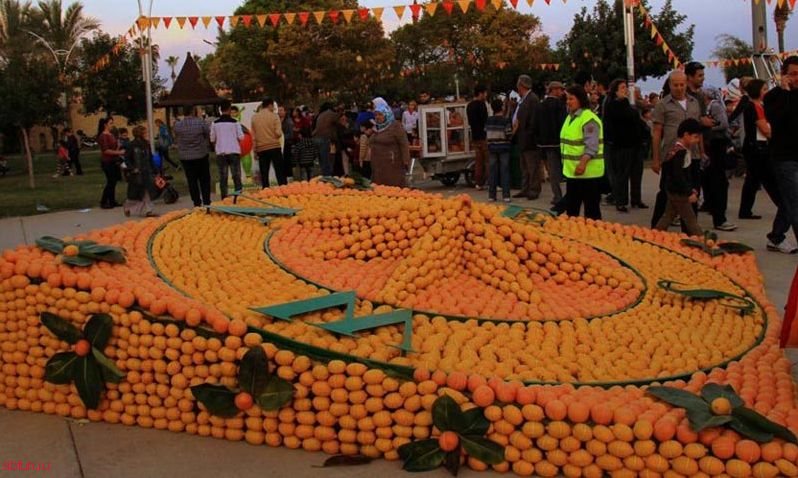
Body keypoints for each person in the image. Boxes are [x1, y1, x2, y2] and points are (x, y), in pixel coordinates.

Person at [651, 71, 703, 229]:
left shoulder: (695, 102)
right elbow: (657, 132)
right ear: (670, 85)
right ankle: (656, 230)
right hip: (672, 156)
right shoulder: (663, 105)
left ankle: (689, 231)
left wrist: (702, 150)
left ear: (686, 83)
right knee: (667, 192)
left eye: (682, 84)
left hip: (692, 155)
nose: (679, 88)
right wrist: (656, 158)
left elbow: (698, 130)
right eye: (675, 85)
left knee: (692, 191)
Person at [764, 56, 798, 253]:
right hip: (784, 158)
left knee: (788, 201)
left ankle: (776, 236)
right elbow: (777, 118)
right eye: (793, 74)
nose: (797, 78)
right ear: (784, 75)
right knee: (794, 202)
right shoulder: (774, 97)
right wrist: (785, 91)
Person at [561, 85, 605, 220]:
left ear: (580, 99)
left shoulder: (588, 119)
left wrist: (582, 163)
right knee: (571, 211)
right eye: (567, 99)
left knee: (591, 213)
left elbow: (592, 146)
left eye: (571, 99)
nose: (568, 102)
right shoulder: (570, 117)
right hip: (573, 173)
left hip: (588, 174)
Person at [654, 119, 703, 236]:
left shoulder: (677, 150)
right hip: (679, 191)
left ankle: (654, 234)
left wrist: (691, 188)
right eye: (695, 137)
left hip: (673, 189)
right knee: (691, 220)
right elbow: (679, 175)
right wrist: (688, 192)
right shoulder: (680, 153)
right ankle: (703, 242)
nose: (698, 141)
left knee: (668, 215)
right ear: (686, 135)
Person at [603, 79, 643, 213]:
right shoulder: (612, 106)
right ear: (615, 91)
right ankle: (621, 200)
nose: (625, 90)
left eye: (625, 87)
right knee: (622, 174)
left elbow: (636, 121)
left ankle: (636, 199)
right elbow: (614, 124)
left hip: (635, 143)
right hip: (622, 145)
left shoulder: (628, 104)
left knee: (637, 172)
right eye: (622, 88)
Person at [701, 87, 736, 231]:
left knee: (718, 178)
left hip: (718, 144)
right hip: (711, 144)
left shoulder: (715, 106)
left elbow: (723, 124)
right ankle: (710, 205)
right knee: (709, 178)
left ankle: (718, 212)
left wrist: (707, 128)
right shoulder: (707, 106)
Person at [739, 79, 771, 220]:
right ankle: (745, 210)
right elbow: (764, 129)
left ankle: (745, 210)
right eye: (764, 89)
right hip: (756, 148)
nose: (766, 92)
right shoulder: (754, 107)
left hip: (755, 147)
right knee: (758, 179)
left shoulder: (758, 106)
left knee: (753, 180)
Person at [535, 81, 567, 206]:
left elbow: (536, 124)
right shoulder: (559, 105)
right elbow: (563, 123)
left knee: (552, 171)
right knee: (563, 170)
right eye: (560, 89)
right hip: (558, 142)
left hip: (545, 143)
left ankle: (557, 195)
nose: (562, 92)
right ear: (553, 90)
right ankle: (564, 196)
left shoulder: (541, 105)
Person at [173, 105, 212, 207]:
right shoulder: (200, 122)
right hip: (201, 155)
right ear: (193, 111)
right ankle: (207, 201)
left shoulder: (178, 125)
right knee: (204, 179)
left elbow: (177, 137)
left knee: (191, 180)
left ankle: (196, 202)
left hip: (186, 157)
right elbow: (207, 134)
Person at [512, 74, 542, 200]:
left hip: (529, 140)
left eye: (518, 85)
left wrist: (529, 135)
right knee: (524, 167)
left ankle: (534, 190)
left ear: (522, 85)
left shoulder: (532, 99)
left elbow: (534, 121)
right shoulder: (523, 99)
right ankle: (525, 189)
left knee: (532, 166)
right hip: (522, 138)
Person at [369, 102, 410, 187]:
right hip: (378, 165)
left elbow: (404, 144)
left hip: (392, 164)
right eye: (376, 115)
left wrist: (406, 161)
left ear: (387, 114)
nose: (377, 117)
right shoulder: (376, 128)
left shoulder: (395, 126)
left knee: (393, 190)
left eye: (380, 115)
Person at [210, 100, 244, 199]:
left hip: (221, 153)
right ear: (229, 109)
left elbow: (212, 139)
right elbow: (241, 137)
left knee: (223, 177)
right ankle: (238, 198)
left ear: (220, 109)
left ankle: (224, 199)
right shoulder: (235, 122)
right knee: (236, 176)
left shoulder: (214, 123)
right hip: (234, 151)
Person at [123, 125, 158, 218]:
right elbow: (127, 158)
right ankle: (128, 207)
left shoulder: (147, 144)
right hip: (137, 173)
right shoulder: (131, 145)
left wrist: (155, 169)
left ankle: (149, 211)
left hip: (146, 171)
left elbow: (150, 158)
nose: (146, 134)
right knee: (136, 193)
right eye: (145, 132)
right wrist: (132, 168)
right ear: (140, 134)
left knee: (147, 191)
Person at [251, 98, 285, 187]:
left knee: (264, 173)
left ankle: (266, 191)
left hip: (261, 148)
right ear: (270, 105)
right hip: (274, 147)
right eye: (273, 106)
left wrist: (255, 150)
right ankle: (283, 190)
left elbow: (253, 136)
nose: (273, 108)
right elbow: (278, 133)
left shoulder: (255, 118)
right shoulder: (274, 116)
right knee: (280, 171)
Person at [485, 98, 513, 202]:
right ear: (502, 107)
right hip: (504, 148)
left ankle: (491, 195)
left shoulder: (489, 120)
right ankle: (506, 195)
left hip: (492, 148)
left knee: (492, 172)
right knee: (504, 171)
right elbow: (509, 135)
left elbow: (486, 133)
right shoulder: (505, 121)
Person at [97, 117, 125, 209]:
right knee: (110, 181)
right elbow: (106, 150)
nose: (112, 125)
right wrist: (119, 152)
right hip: (107, 161)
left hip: (114, 161)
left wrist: (118, 147)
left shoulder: (111, 134)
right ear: (105, 125)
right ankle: (104, 201)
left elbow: (114, 148)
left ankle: (112, 201)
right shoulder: (103, 136)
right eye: (110, 123)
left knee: (114, 181)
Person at [467, 85, 489, 190]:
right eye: (485, 93)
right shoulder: (481, 105)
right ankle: (491, 181)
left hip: (475, 136)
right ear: (480, 93)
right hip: (483, 136)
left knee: (478, 161)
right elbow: (485, 121)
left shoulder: (469, 106)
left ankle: (478, 183)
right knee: (488, 160)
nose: (486, 95)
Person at [312, 102, 339, 176]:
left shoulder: (320, 115)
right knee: (327, 162)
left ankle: (324, 178)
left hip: (316, 139)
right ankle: (328, 180)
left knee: (322, 162)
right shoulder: (331, 114)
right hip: (325, 139)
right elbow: (339, 123)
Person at [279, 105, 294, 179]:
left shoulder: (288, 121)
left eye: (281, 110)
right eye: (279, 110)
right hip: (279, 145)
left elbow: (291, 134)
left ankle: (289, 177)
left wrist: (282, 137)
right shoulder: (277, 120)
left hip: (287, 144)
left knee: (287, 161)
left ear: (285, 111)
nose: (279, 112)